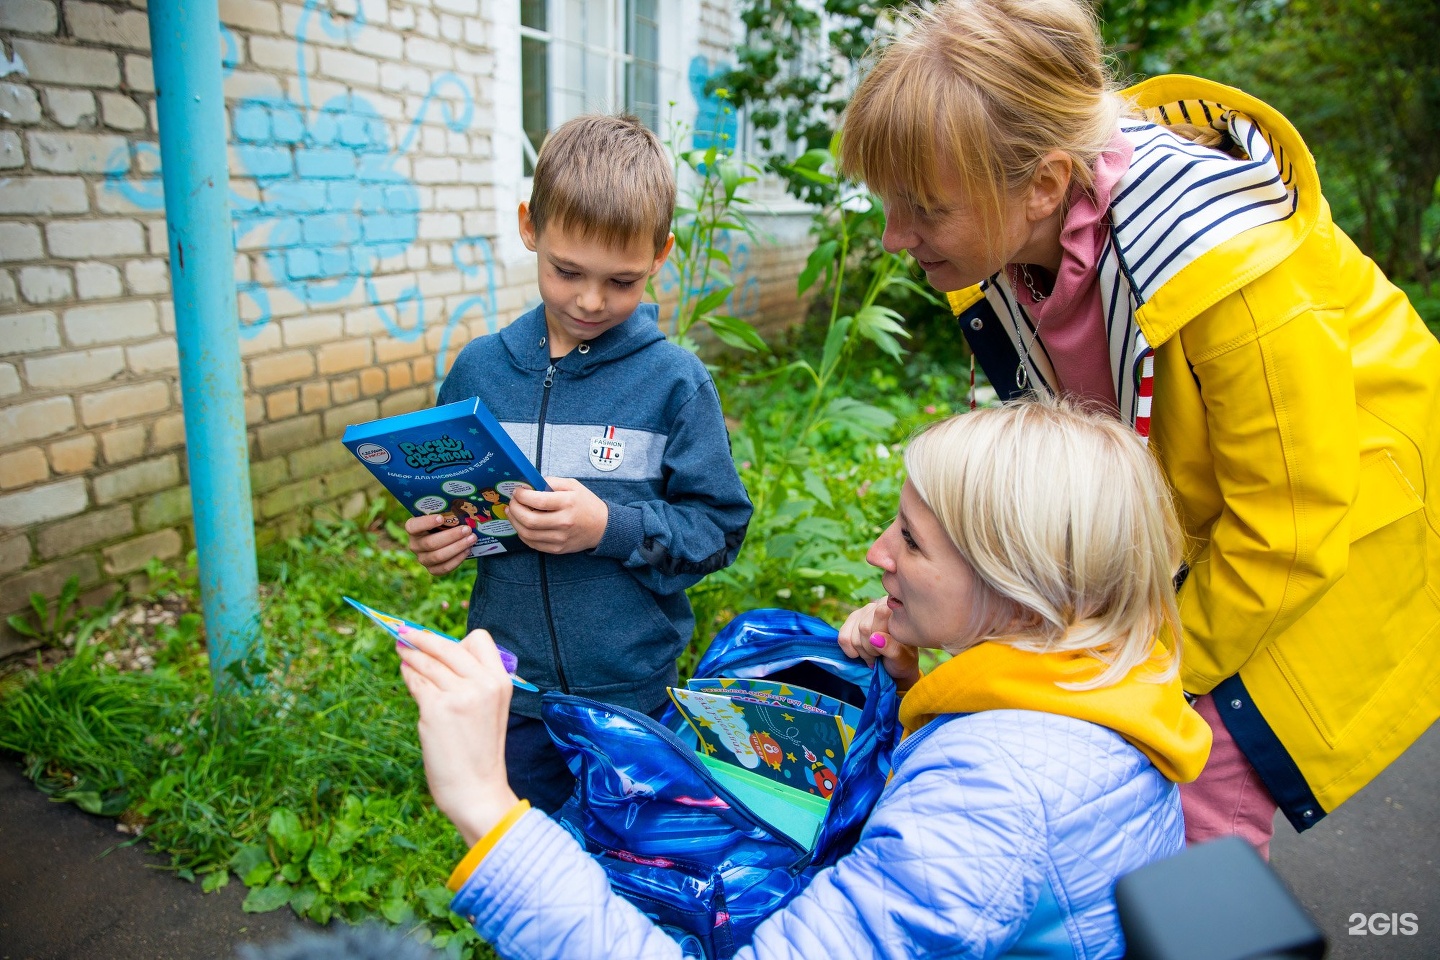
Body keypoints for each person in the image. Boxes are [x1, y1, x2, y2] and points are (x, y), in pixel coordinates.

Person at [836, 0, 1440, 856]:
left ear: (1044, 183)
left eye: (925, 209)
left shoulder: (1225, 267)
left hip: (1335, 538)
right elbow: (1059, 503)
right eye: (890, 203)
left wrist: (1131, 674)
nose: (897, 238)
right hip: (1201, 537)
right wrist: (925, 590)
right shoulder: (1012, 242)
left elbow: (1292, 528)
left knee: (1192, 786)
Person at [397, 400, 1213, 959]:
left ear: (1017, 585)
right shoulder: (1101, 684)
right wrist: (906, 678)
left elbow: (974, 821)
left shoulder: (991, 802)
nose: (878, 554)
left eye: (914, 542)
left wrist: (486, 807)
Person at [403, 113, 753, 813]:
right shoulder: (478, 373)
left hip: (632, 695)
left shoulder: (674, 384)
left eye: (622, 281)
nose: (591, 300)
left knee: (630, 862)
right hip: (513, 692)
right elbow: (451, 502)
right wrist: (441, 537)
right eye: (567, 271)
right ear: (529, 226)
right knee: (524, 852)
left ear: (661, 256)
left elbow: (718, 529)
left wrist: (608, 528)